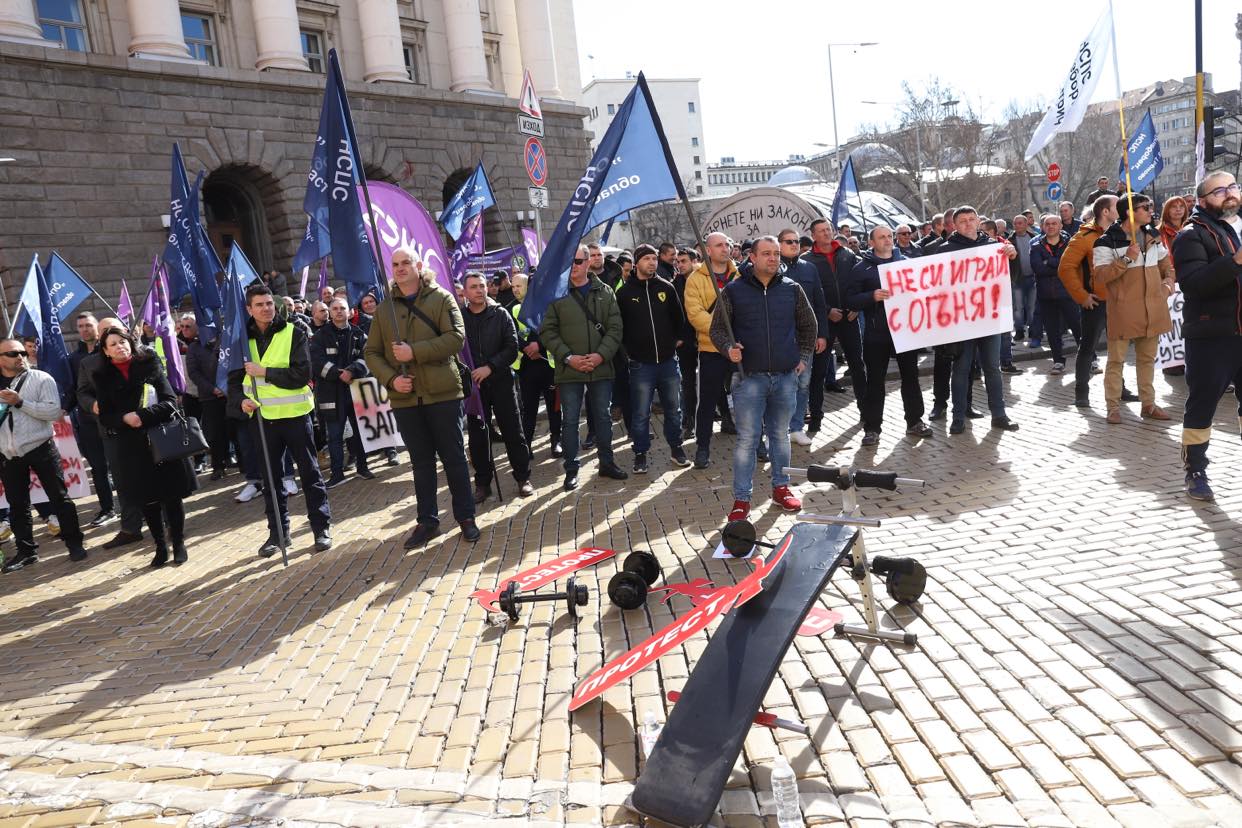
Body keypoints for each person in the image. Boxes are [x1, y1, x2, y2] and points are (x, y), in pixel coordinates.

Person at [363, 248, 478, 545]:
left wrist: (415, 351)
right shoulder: (384, 309)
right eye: (395, 264)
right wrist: (391, 378)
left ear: (418, 266)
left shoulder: (442, 298)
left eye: (405, 263)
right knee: (421, 463)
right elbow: (372, 352)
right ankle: (427, 521)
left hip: (442, 393)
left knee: (454, 459)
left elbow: (456, 338)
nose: (400, 269)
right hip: (405, 398)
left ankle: (466, 517)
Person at [710, 236, 816, 521]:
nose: (773, 258)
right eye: (767, 253)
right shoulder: (733, 291)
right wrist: (728, 349)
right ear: (752, 257)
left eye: (776, 254)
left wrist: (804, 357)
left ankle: (781, 489)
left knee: (780, 437)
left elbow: (809, 325)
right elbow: (718, 330)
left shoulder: (792, 289)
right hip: (749, 379)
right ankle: (741, 500)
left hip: (784, 378)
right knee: (747, 440)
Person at [229, 283, 333, 557]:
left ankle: (321, 528)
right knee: (271, 481)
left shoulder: (294, 333)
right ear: (249, 309)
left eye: (269, 303)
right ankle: (278, 534)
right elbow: (232, 383)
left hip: (295, 417)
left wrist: (264, 371)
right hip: (262, 420)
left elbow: (302, 374)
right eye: (259, 305)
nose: (266, 308)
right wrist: (241, 401)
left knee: (310, 474)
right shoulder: (242, 341)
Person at [94, 327, 196, 568]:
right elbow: (105, 416)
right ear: (106, 352)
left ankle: (179, 543)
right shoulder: (102, 377)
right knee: (147, 499)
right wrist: (124, 419)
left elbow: (170, 402)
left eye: (123, 341)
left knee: (171, 497)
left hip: (161, 439)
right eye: (113, 344)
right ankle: (160, 546)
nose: (120, 346)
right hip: (131, 447)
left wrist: (143, 416)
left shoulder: (149, 364)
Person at [1173, 172, 1242, 501]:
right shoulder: (1190, 235)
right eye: (1219, 191)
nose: (1229, 194)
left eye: (1232, 187)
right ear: (1202, 201)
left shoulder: (1238, 225)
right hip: (1212, 336)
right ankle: (1195, 470)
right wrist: (1235, 261)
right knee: (1202, 406)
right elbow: (1195, 283)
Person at [540, 243, 628, 490]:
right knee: (570, 421)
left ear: (588, 263)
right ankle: (571, 469)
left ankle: (607, 463)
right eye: (569, 262)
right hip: (570, 370)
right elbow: (548, 331)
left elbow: (615, 328)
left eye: (577, 261)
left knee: (602, 417)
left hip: (600, 368)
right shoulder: (556, 293)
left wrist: (600, 356)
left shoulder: (605, 291)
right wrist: (569, 358)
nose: (573, 267)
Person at [0, 338, 87, 573]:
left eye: (22, 352)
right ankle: (26, 551)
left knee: (59, 498)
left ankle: (74, 542)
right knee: (18, 505)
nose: (20, 356)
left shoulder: (41, 378)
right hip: (8, 454)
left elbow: (51, 411)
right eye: (12, 353)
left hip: (40, 447)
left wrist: (20, 402)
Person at [1091, 193, 1175, 424]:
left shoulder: (1152, 234)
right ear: (1130, 211)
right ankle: (1113, 407)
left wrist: (1167, 285)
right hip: (1123, 309)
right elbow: (1100, 276)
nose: (1150, 210)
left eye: (1150, 206)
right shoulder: (1106, 241)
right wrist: (1126, 259)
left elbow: (1166, 264)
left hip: (1152, 307)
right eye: (1145, 207)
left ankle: (1148, 404)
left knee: (1147, 359)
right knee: (1116, 360)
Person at [847, 226, 932, 446]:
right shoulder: (861, 268)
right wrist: (871, 296)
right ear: (871, 242)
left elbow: (923, 291)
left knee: (911, 377)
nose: (887, 240)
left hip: (905, 330)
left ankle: (915, 421)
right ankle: (872, 428)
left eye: (889, 236)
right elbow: (850, 300)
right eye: (882, 237)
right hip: (877, 333)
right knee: (875, 381)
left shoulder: (905, 263)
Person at [942, 206, 1020, 435]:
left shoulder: (994, 247)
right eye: (963, 221)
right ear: (954, 226)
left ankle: (999, 415)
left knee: (993, 368)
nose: (968, 224)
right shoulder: (945, 250)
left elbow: (1010, 279)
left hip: (989, 319)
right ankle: (958, 418)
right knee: (962, 369)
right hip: (961, 321)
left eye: (971, 219)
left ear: (979, 222)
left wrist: (1012, 258)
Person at [74, 315, 147, 550]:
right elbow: (82, 393)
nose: (113, 340)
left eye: (115, 333)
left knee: (153, 475)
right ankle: (131, 528)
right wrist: (91, 405)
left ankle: (165, 521)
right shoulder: (89, 363)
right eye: (106, 334)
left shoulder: (142, 357)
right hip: (112, 430)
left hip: (144, 425)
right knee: (124, 481)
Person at [461, 272, 534, 502]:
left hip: (501, 381)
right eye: (473, 287)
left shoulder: (500, 314)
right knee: (478, 437)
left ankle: (523, 478)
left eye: (482, 286)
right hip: (474, 387)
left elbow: (512, 347)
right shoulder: (459, 318)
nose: (479, 290)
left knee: (513, 431)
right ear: (465, 291)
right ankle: (483, 483)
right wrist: (470, 373)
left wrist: (490, 367)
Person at [616, 244, 690, 473]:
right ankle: (640, 453)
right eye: (646, 258)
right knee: (640, 413)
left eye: (654, 258)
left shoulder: (666, 288)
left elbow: (680, 319)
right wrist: (629, 352)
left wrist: (677, 340)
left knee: (673, 409)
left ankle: (676, 448)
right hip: (641, 365)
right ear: (637, 262)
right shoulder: (624, 293)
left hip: (668, 362)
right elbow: (619, 328)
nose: (652, 262)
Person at [684, 232, 740, 469]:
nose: (725, 248)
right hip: (712, 349)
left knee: (749, 398)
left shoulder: (740, 275)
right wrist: (723, 335)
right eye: (719, 245)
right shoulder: (695, 279)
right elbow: (696, 315)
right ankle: (703, 448)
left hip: (741, 348)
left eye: (727, 244)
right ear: (707, 250)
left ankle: (757, 442)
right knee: (707, 401)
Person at [805, 218, 865, 431]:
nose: (826, 233)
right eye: (821, 231)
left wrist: (857, 306)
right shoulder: (807, 260)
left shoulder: (847, 254)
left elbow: (860, 282)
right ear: (813, 235)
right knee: (819, 371)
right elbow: (807, 294)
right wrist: (828, 310)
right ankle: (816, 417)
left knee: (857, 365)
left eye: (828, 229)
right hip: (824, 321)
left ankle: (866, 412)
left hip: (849, 317)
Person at [310, 296, 374, 488]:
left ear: (350, 312)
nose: (339, 311)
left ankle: (363, 467)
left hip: (355, 392)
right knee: (335, 436)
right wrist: (339, 374)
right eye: (335, 308)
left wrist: (352, 371)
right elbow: (316, 362)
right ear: (330, 312)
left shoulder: (359, 334)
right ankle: (337, 474)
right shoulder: (319, 337)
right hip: (330, 393)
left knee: (359, 432)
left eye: (342, 308)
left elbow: (368, 357)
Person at [776, 229, 827, 447]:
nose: (794, 245)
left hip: (806, 337)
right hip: (781, 338)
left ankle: (797, 428)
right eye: (789, 241)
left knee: (803, 384)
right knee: (779, 387)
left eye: (797, 241)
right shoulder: (772, 268)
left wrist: (822, 334)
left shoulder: (810, 268)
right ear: (779, 244)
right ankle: (777, 431)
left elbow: (819, 303)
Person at [66, 313, 117, 527]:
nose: (85, 329)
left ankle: (133, 505)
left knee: (119, 464)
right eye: (81, 326)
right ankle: (107, 508)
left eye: (89, 325)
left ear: (97, 328)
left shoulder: (109, 351)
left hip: (113, 419)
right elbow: (74, 390)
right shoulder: (72, 359)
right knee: (97, 468)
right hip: (87, 421)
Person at [511, 275, 562, 458]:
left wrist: (539, 345)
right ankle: (527, 445)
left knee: (554, 407)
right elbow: (510, 335)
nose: (515, 289)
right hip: (527, 368)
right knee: (529, 409)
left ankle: (556, 440)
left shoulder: (547, 307)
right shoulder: (513, 309)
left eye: (519, 285)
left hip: (549, 366)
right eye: (513, 286)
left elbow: (555, 330)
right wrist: (525, 347)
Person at [1030, 214, 1080, 375]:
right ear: (1043, 227)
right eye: (1047, 224)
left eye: (1054, 223)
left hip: (1068, 293)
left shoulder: (1070, 244)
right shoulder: (1036, 246)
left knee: (1078, 328)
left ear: (1060, 226)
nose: (1051, 226)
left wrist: (1049, 262)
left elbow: (1072, 265)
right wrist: (1058, 264)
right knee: (1052, 331)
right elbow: (1038, 268)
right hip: (1046, 296)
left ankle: (1090, 358)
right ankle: (1058, 361)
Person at [673, 247, 700, 441]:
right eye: (677, 261)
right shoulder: (675, 285)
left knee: (713, 382)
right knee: (688, 383)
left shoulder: (704, 280)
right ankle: (688, 423)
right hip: (686, 342)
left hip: (707, 338)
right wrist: (679, 337)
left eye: (683, 261)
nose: (680, 265)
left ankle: (725, 418)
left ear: (694, 261)